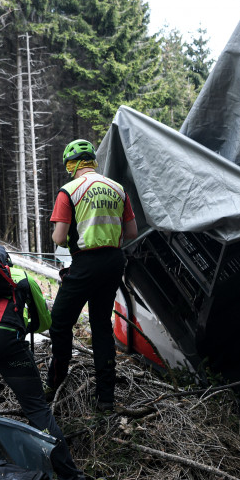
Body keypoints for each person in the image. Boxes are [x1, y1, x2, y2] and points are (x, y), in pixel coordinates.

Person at [0, 240, 91, 480]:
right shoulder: (20, 277)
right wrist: (20, 326)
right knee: (36, 408)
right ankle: (72, 478)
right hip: (2, 337)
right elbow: (43, 322)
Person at [46, 139, 138, 413]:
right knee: (101, 326)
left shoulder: (69, 191)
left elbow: (59, 237)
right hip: (113, 263)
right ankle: (106, 398)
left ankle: (56, 381)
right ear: (93, 162)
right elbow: (131, 233)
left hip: (85, 263)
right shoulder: (118, 189)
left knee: (60, 323)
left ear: (71, 165)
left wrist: (67, 239)